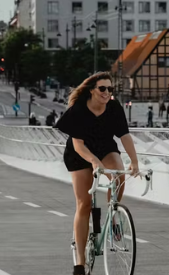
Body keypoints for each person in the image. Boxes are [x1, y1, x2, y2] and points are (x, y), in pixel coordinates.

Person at [53, 72, 142, 275]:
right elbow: (78, 144)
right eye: (102, 88)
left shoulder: (113, 107)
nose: (107, 93)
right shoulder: (78, 110)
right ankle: (80, 263)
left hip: (105, 148)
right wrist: (94, 162)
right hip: (80, 154)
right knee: (84, 204)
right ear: (92, 90)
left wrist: (135, 161)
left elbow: (125, 136)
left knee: (118, 176)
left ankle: (113, 217)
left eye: (110, 89)